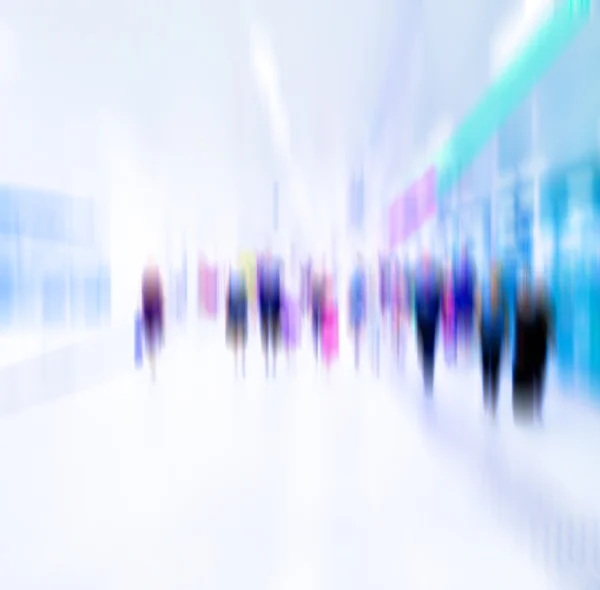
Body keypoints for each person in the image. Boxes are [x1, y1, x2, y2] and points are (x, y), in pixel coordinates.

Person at [513, 276, 553, 423]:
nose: (539, 293)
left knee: (539, 378)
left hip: (540, 350)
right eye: (537, 290)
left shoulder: (545, 308)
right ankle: (529, 409)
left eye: (541, 290)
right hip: (530, 351)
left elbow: (548, 328)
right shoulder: (528, 309)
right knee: (531, 379)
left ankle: (537, 408)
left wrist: (550, 341)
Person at [475, 265, 508, 419]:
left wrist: (507, 339)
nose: (494, 280)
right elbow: (478, 312)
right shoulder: (481, 291)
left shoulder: (503, 295)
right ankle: (486, 397)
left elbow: (506, 319)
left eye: (497, 277)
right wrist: (477, 332)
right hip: (485, 335)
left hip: (497, 336)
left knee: (495, 369)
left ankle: (493, 402)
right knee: (485, 367)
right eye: (493, 277)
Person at [414, 254, 442, 394]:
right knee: (422, 346)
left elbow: (439, 297)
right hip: (420, 319)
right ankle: (425, 366)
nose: (425, 263)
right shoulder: (417, 277)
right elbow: (415, 298)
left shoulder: (436, 277)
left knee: (430, 349)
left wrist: (437, 316)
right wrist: (416, 316)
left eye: (427, 260)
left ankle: (429, 380)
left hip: (431, 319)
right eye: (423, 260)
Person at [257, 252, 282, 378]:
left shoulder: (276, 272)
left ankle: (274, 361)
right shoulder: (261, 273)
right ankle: (267, 360)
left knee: (274, 335)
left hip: (275, 308)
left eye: (269, 256)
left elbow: (279, 290)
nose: (267, 258)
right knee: (265, 334)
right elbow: (259, 291)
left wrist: (280, 308)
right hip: (264, 309)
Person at [141, 260, 165, 381]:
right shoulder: (146, 276)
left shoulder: (156, 277)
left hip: (154, 312)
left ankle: (153, 360)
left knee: (153, 338)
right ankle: (152, 362)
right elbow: (143, 294)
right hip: (149, 312)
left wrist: (161, 317)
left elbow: (160, 296)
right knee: (150, 338)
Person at [226, 264, 248, 377]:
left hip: (241, 316)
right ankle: (237, 362)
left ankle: (241, 361)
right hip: (235, 315)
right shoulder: (232, 289)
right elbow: (229, 303)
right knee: (237, 339)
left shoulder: (243, 289)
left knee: (241, 339)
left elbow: (245, 303)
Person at [348, 256, 367, 370]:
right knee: (358, 334)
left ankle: (357, 358)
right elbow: (358, 296)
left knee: (357, 335)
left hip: (356, 310)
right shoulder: (359, 276)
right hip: (358, 310)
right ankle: (357, 359)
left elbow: (352, 296)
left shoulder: (356, 276)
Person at [311, 267, 326, 365]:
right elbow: (312, 299)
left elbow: (323, 299)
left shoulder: (322, 286)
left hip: (320, 311)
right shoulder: (314, 286)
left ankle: (320, 350)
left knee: (320, 332)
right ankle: (317, 351)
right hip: (316, 311)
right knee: (316, 332)